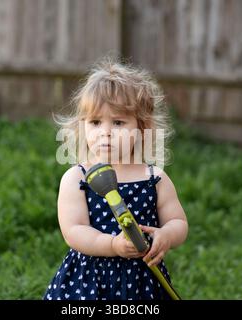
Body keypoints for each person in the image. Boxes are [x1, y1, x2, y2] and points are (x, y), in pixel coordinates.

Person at [43, 58, 188, 300]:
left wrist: (166, 236)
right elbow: (73, 230)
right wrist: (112, 245)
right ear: (83, 126)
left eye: (118, 122)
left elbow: (178, 222)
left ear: (142, 128)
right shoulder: (77, 178)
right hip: (89, 280)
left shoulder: (154, 178)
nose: (105, 132)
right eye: (96, 122)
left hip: (142, 280)